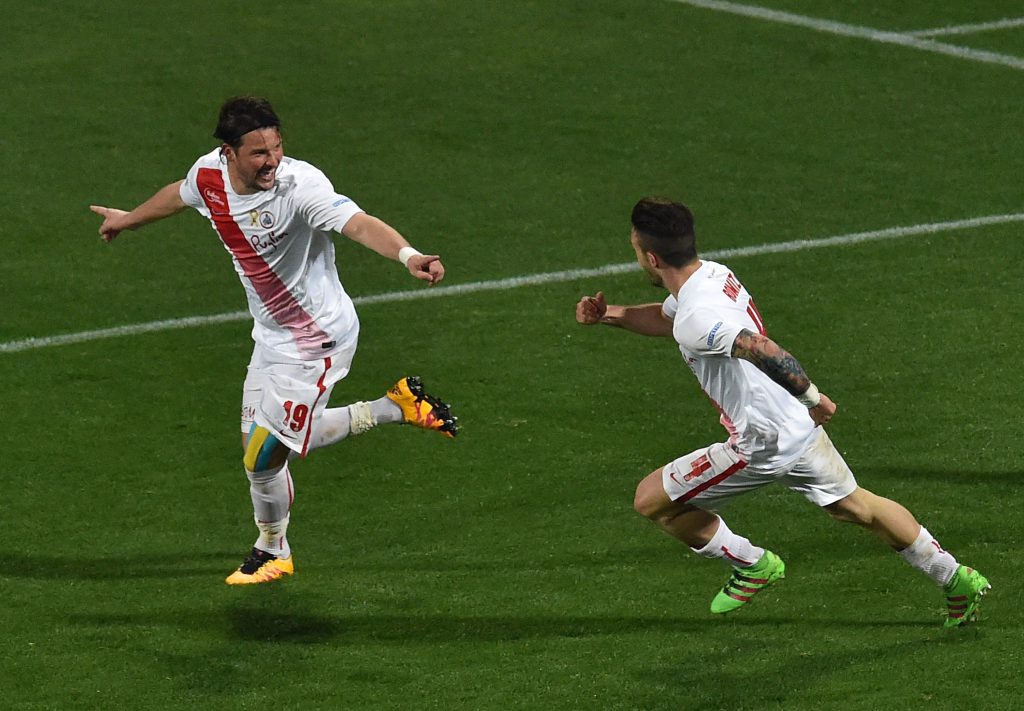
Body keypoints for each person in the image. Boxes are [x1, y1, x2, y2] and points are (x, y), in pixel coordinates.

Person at [90, 96, 459, 585]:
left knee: (263, 455)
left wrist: (408, 255)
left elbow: (358, 223)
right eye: (260, 153)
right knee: (261, 452)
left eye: (277, 147)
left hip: (316, 340)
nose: (272, 162)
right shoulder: (208, 177)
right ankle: (395, 407)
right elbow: (180, 194)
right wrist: (128, 218)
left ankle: (273, 551)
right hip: (270, 337)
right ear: (229, 152)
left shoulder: (301, 186)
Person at [575, 197, 990, 627]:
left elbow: (760, 348)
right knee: (855, 506)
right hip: (794, 422)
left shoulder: (698, 314)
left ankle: (752, 564)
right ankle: (956, 579)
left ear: (651, 256)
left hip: (760, 440)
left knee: (652, 502)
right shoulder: (711, 277)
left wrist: (816, 397)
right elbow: (668, 320)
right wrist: (610, 315)